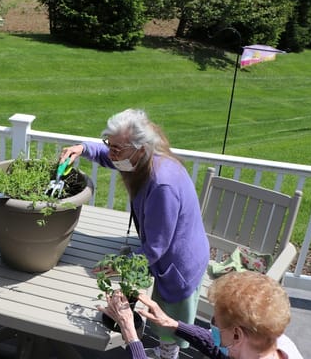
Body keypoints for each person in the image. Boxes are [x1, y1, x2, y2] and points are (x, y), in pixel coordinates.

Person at [60, 108, 209, 359]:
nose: (112, 153)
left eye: (118, 148)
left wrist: (116, 265)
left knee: (168, 322)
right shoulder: (139, 158)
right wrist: (82, 148)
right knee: (158, 312)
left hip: (179, 264)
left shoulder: (162, 184)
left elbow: (156, 248)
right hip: (168, 253)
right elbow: (109, 157)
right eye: (111, 145)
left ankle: (166, 354)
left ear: (140, 148)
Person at [98, 271, 304, 359]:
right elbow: (220, 351)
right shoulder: (272, 342)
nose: (211, 328)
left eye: (216, 324)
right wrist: (173, 324)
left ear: (237, 335)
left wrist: (129, 332)